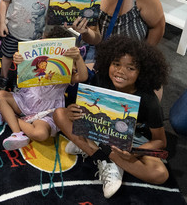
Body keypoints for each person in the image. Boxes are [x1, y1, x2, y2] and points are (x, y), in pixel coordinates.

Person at [53, 35, 170, 198]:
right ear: (108, 62)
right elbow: (85, 110)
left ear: (142, 72)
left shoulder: (149, 100)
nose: (120, 71)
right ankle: (106, 159)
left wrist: (134, 152)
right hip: (98, 129)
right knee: (59, 113)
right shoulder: (101, 79)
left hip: (133, 141)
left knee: (160, 174)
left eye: (130, 68)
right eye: (116, 64)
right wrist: (74, 111)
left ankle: (101, 154)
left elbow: (160, 141)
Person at [0, 31, 88, 151]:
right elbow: (23, 68)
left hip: (47, 111)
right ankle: (17, 133)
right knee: (1, 96)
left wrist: (78, 58)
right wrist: (19, 58)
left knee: (41, 134)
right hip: (26, 100)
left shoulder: (66, 72)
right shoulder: (37, 63)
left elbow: (83, 77)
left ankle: (9, 118)